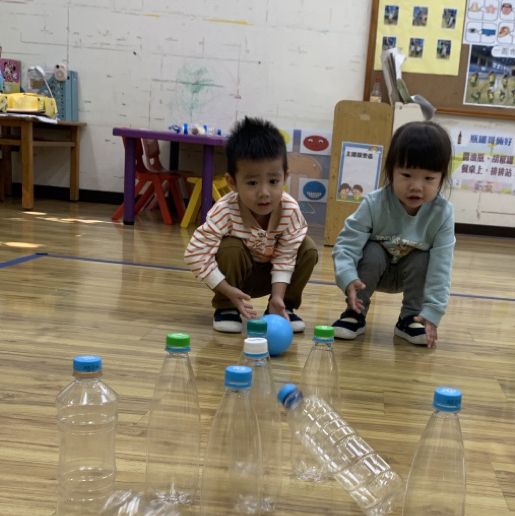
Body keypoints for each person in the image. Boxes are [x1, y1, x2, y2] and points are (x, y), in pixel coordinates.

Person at [184, 116, 318, 334]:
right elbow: (195, 254)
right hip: (234, 280)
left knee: (308, 248)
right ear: (233, 182)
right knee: (230, 248)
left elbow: (286, 256)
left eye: (273, 181)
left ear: (285, 177)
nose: (264, 192)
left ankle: (283, 306)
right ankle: (226, 307)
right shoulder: (225, 210)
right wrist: (227, 290)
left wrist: (277, 296)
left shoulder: (290, 210)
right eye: (252, 182)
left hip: (271, 279)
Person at [330, 122, 455, 349]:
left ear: (441, 177)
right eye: (406, 175)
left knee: (424, 257)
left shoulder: (442, 213)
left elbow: (441, 268)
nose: (416, 186)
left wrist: (433, 311)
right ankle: (354, 313)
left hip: (411, 276)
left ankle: (411, 318)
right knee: (371, 250)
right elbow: (347, 245)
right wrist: (347, 278)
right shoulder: (374, 203)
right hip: (372, 273)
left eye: (428, 178)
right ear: (391, 171)